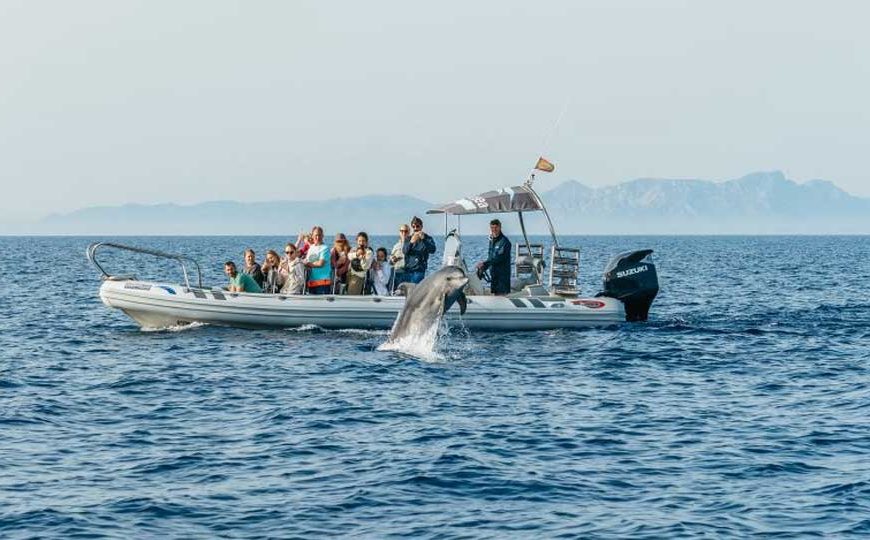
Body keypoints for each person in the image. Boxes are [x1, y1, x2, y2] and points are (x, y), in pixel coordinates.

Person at [476, 218, 512, 295]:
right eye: (492, 228)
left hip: (502, 277)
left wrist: (485, 264)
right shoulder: (492, 241)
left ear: (500, 227)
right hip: (494, 275)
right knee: (495, 296)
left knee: (501, 297)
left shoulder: (505, 242)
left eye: (496, 227)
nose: (494, 229)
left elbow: (499, 258)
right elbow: (490, 257)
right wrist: (483, 267)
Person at [402, 216, 436, 284]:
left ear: (421, 226)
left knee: (414, 290)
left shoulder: (428, 238)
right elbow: (405, 251)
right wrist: (411, 242)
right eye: (413, 227)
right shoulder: (408, 239)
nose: (415, 229)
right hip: (408, 270)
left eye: (417, 226)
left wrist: (424, 240)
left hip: (419, 270)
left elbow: (433, 250)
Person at [304, 226, 332, 294]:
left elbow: (320, 264)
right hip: (312, 282)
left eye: (319, 235)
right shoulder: (311, 248)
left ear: (323, 236)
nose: (318, 237)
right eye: (316, 235)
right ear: (312, 236)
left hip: (323, 283)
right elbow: (306, 261)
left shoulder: (325, 248)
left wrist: (309, 264)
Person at [390, 224, 409, 289]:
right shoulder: (396, 246)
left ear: (409, 232)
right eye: (402, 231)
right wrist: (393, 259)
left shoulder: (412, 244)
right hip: (397, 273)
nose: (404, 233)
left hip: (408, 273)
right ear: (399, 232)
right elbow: (391, 262)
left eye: (406, 231)